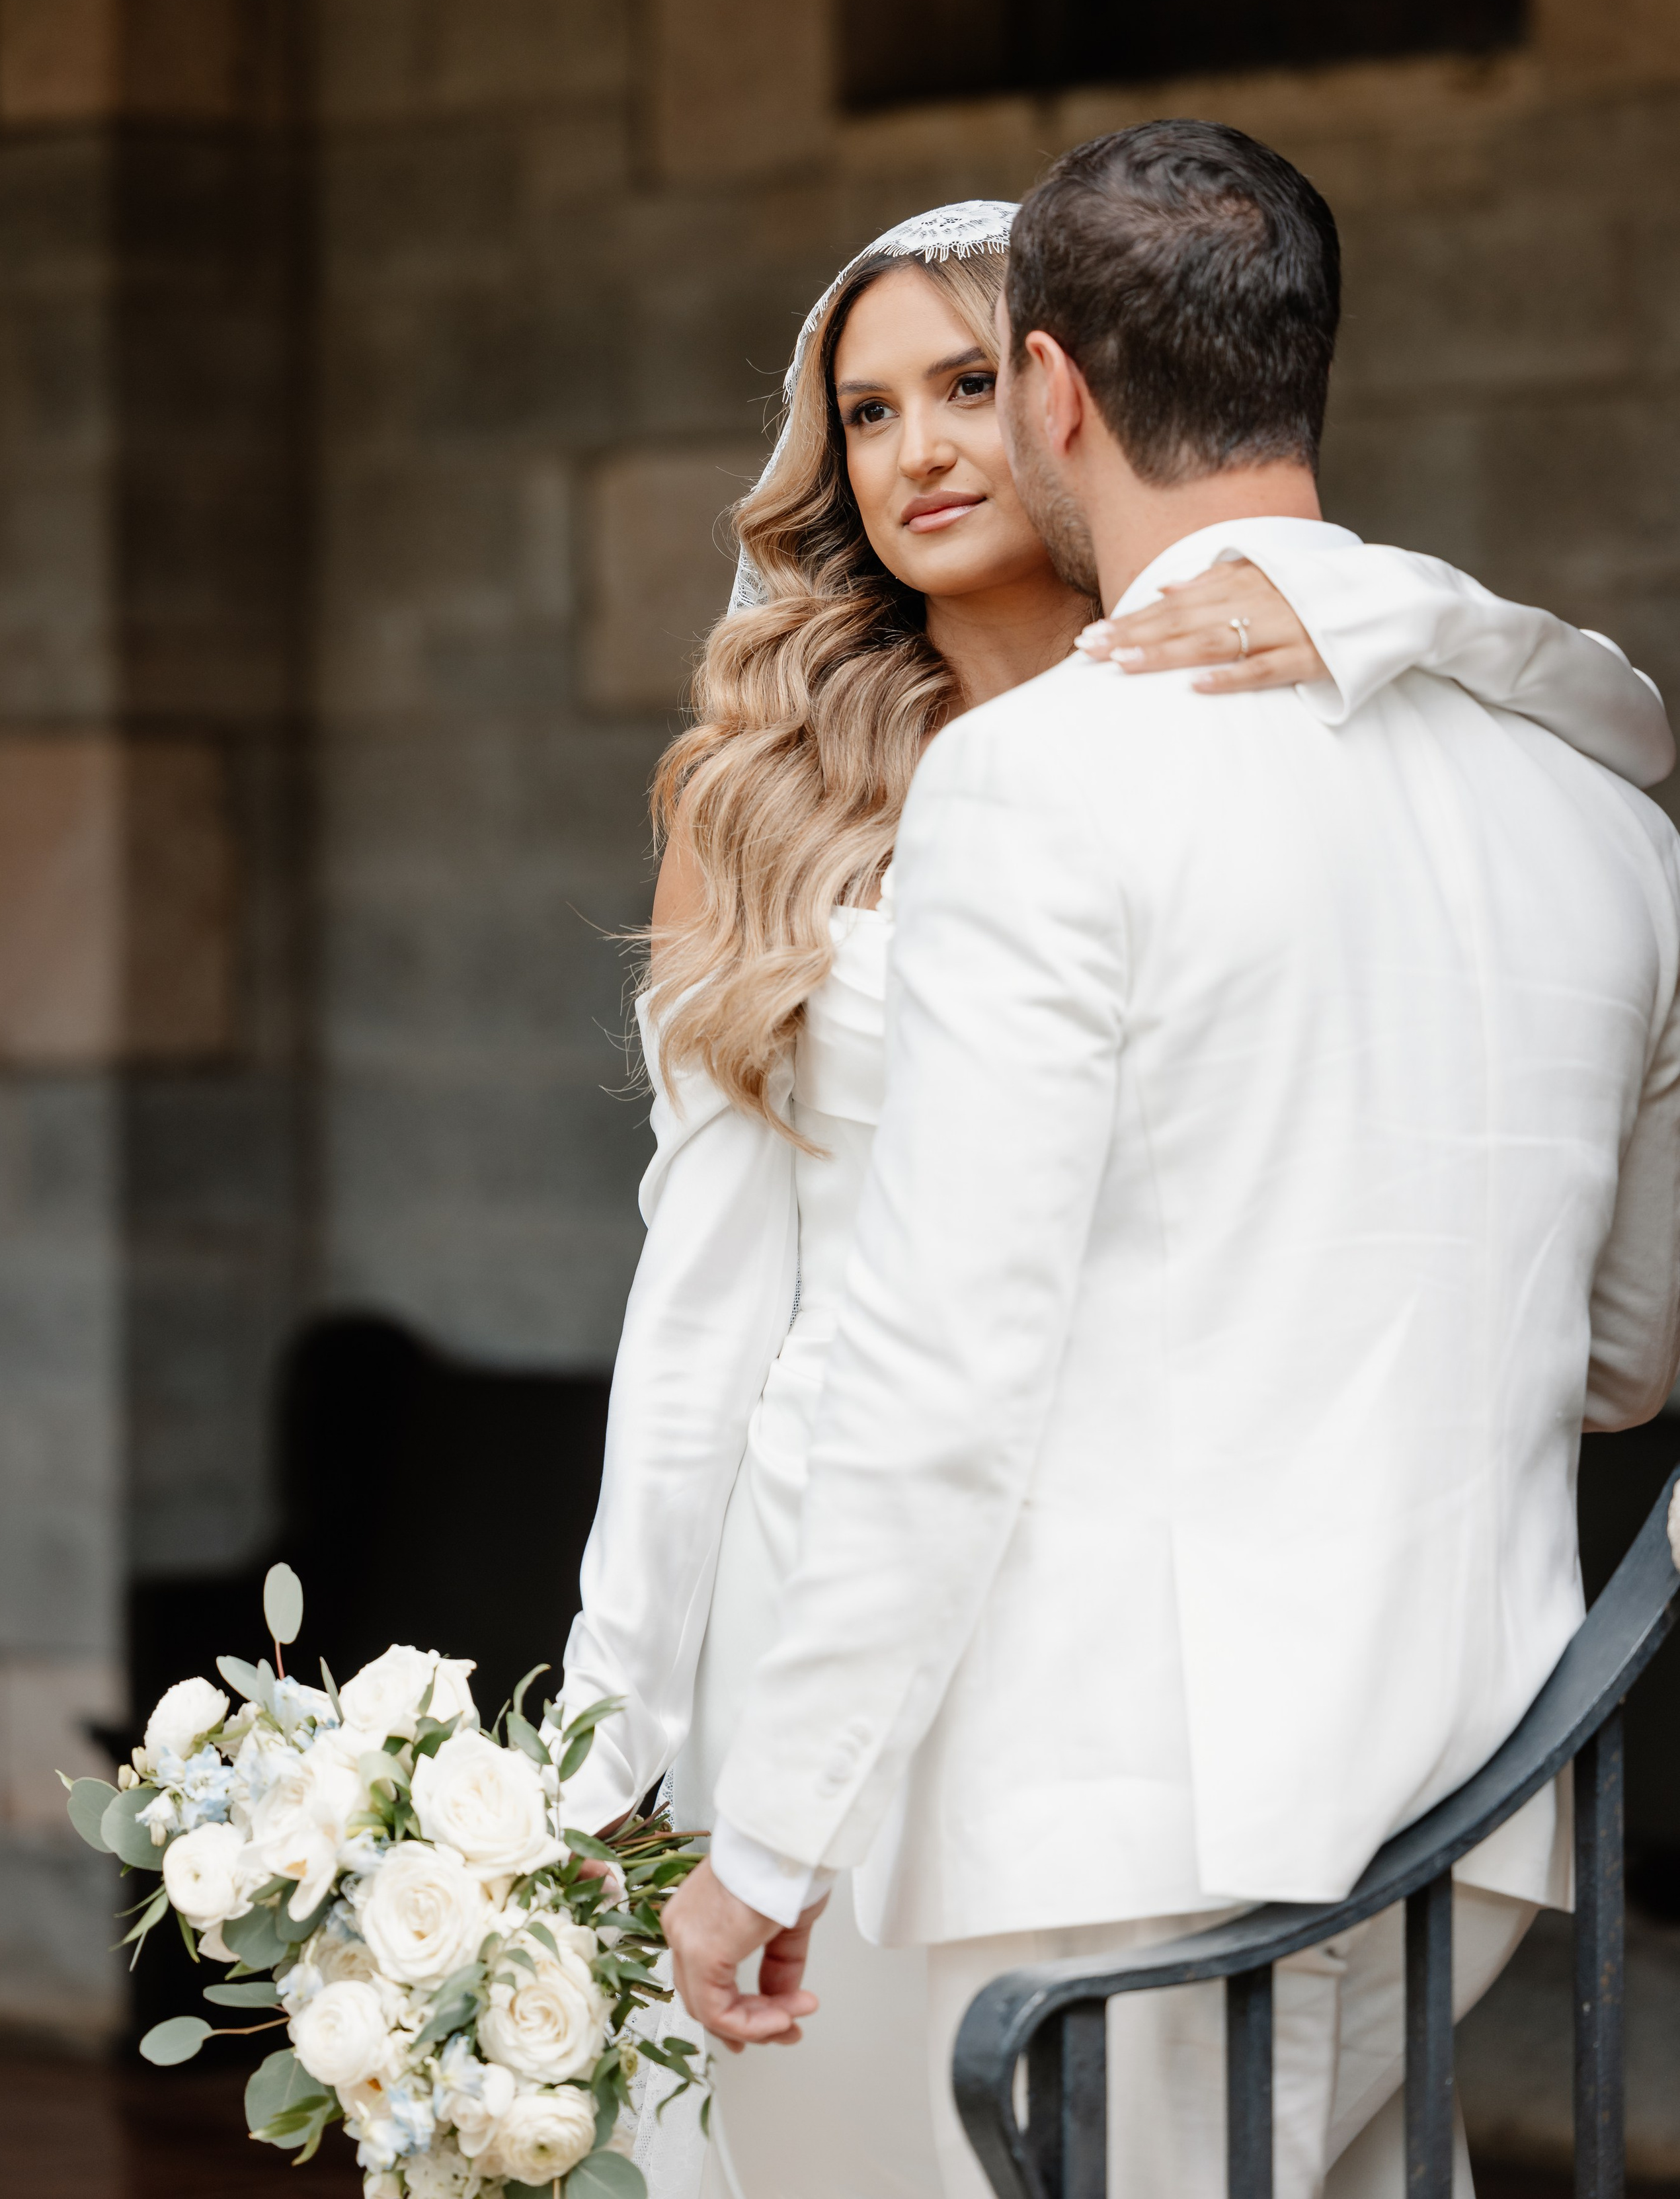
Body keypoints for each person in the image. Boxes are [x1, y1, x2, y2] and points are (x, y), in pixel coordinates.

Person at [563, 172, 1677, 2199]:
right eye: (867, 410)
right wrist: (623, 1734)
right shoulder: (1597, 810)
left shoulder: (1103, 780)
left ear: (1065, 395)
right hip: (1395, 1770)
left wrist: (773, 1841)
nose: (915, 451)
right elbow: (717, 1308)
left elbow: (957, 1353)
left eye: (967, 383)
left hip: (1070, 1758)